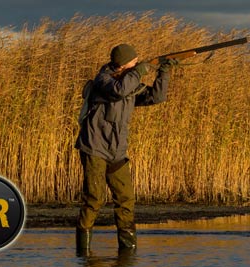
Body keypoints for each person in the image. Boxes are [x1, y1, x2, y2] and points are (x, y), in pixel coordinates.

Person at [74, 43, 177, 254]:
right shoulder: (103, 81)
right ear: (121, 64)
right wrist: (139, 72)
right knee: (94, 198)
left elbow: (156, 97)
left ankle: (128, 251)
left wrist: (163, 73)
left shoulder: (129, 84)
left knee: (126, 199)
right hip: (94, 147)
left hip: (117, 151)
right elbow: (118, 91)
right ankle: (83, 252)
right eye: (134, 62)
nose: (137, 64)